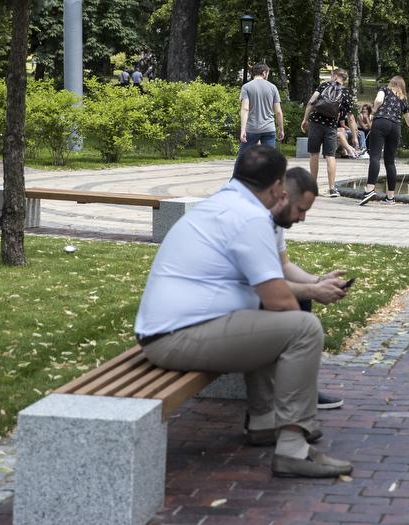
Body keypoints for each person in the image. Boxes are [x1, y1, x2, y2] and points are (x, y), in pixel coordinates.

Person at [133, 146, 353, 478]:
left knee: (278, 322)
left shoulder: (226, 204)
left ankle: (265, 423)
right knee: (303, 328)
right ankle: (293, 451)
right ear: (277, 186)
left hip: (169, 330)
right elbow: (280, 300)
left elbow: (274, 290)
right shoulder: (249, 218)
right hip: (176, 337)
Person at [273, 167, 352, 411]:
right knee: (305, 325)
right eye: (301, 210)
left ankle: (301, 391)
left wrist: (317, 281)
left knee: (301, 300)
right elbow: (263, 288)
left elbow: (284, 264)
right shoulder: (256, 222)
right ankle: (296, 410)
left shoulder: (273, 222)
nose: (303, 218)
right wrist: (313, 291)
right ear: (284, 196)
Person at [358, 76, 409, 206]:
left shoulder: (384, 90)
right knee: (390, 162)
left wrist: (375, 109)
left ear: (392, 83)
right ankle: (390, 197)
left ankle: (370, 189)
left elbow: (378, 100)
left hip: (381, 122)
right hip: (396, 127)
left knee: (375, 157)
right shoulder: (403, 99)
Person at [302, 68, 357, 197]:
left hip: (315, 123)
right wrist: (354, 136)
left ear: (335, 75)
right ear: (344, 79)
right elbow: (351, 117)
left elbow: (311, 102)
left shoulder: (324, 85)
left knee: (314, 154)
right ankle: (332, 188)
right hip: (331, 126)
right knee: (330, 156)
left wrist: (305, 119)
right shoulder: (346, 92)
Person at [239, 62, 285, 155]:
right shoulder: (273, 88)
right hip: (269, 128)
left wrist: (243, 130)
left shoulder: (246, 87)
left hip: (251, 129)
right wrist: (281, 129)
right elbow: (278, 112)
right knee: (269, 159)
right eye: (268, 73)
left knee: (243, 158)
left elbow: (245, 109)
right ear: (264, 73)